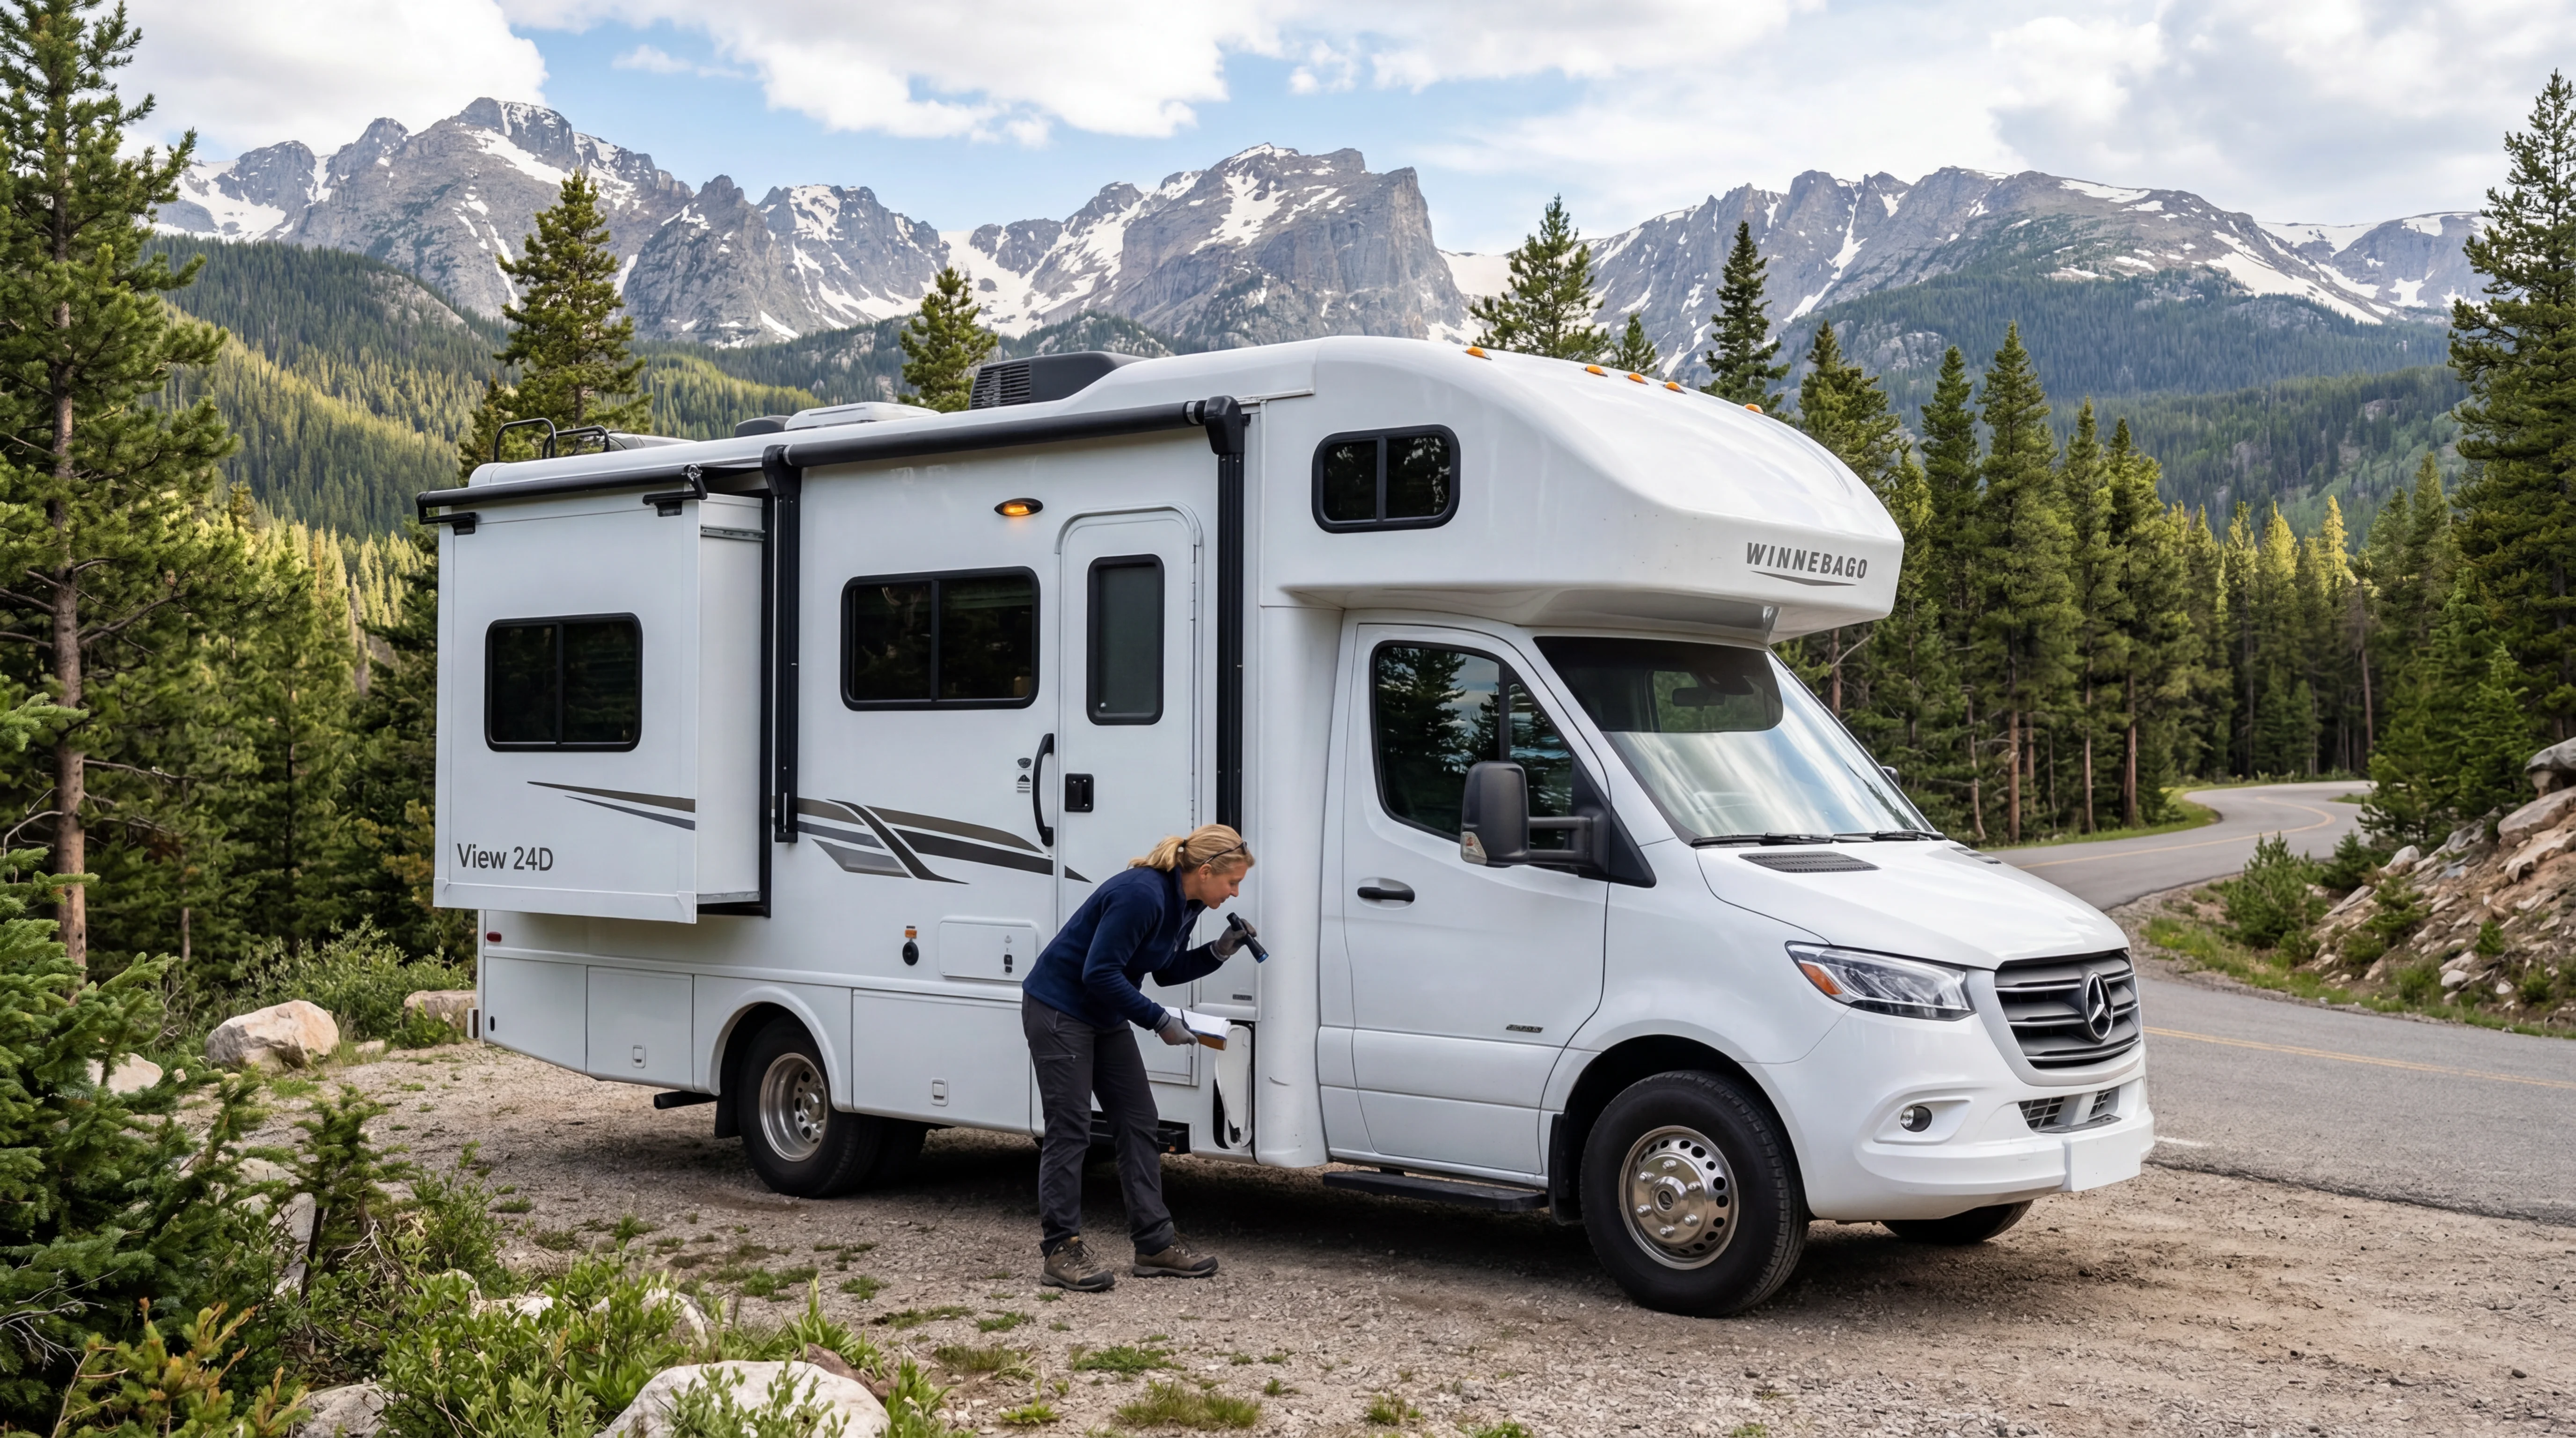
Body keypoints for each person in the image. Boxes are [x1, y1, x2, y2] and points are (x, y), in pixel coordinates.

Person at [1020, 822, 1259, 1291]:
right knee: (1070, 1129)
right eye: (1231, 883)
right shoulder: (1142, 895)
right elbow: (1098, 972)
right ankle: (1060, 1250)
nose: (1233, 894)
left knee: (1138, 1121)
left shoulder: (1185, 903)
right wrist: (1158, 1021)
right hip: (1059, 1009)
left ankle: (1153, 1244)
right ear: (1206, 870)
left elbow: (1164, 969)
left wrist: (1218, 951)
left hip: (1103, 1011)